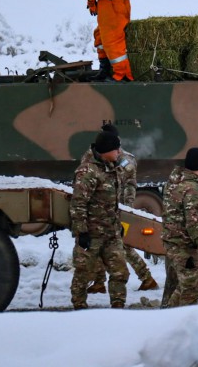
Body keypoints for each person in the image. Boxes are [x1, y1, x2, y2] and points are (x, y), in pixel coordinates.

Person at [86, 123, 158, 294]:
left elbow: (126, 185)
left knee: (121, 245)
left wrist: (125, 209)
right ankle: (99, 281)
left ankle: (146, 277)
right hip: (107, 209)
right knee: (99, 244)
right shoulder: (110, 157)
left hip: (114, 210)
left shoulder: (123, 159)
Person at [69, 131, 130, 309]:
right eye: (116, 148)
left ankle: (118, 308)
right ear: (106, 150)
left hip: (111, 234)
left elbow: (113, 203)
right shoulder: (88, 172)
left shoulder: (112, 168)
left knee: (120, 272)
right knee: (83, 274)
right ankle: (79, 308)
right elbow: (78, 203)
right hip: (91, 234)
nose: (119, 151)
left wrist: (117, 226)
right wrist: (82, 232)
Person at [160, 147, 198, 307]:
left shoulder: (173, 183)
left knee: (176, 286)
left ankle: (166, 313)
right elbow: (195, 223)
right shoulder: (193, 189)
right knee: (192, 290)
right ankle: (178, 322)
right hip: (185, 247)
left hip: (172, 244)